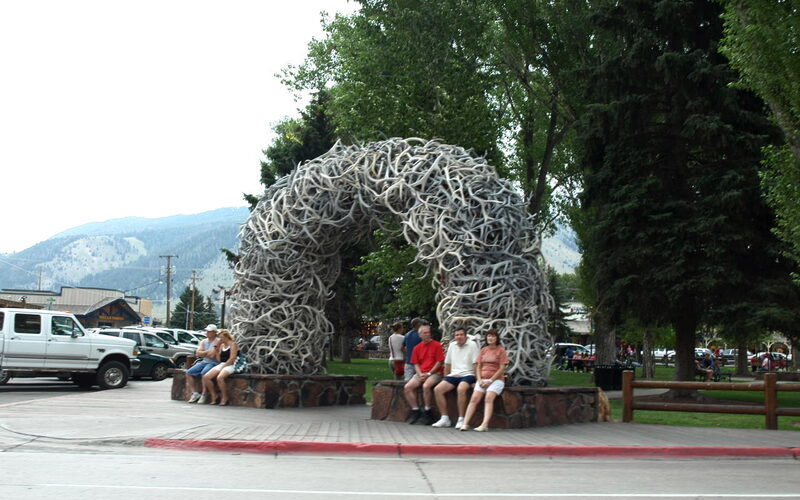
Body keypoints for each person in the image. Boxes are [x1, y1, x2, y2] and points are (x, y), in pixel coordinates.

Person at [461, 329, 509, 432]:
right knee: (474, 399)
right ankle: (465, 423)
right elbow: (478, 366)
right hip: (482, 379)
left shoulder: (501, 350)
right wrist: (479, 379)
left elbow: (501, 368)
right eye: (489, 336)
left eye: (493, 336)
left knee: (488, 398)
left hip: (496, 380)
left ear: (497, 338)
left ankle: (484, 424)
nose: (490, 338)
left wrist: (490, 380)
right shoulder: (484, 350)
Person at [431, 327, 479, 429]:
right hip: (454, 374)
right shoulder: (452, 345)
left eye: (461, 335)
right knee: (438, 389)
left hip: (468, 374)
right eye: (457, 335)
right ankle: (445, 418)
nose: (459, 337)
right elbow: (447, 363)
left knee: (461, 389)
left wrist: (477, 379)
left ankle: (461, 419)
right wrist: (445, 377)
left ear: (465, 336)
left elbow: (476, 364)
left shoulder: (472, 345)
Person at [403, 324, 444, 425]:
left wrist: (429, 373)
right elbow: (415, 363)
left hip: (435, 372)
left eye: (428, 333)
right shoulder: (417, 348)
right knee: (408, 387)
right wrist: (420, 374)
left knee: (426, 386)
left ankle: (427, 411)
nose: (427, 335)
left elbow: (439, 362)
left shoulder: (437, 345)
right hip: (421, 372)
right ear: (420, 335)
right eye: (425, 333)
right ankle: (415, 410)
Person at [202, 329, 239, 406]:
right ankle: (214, 395)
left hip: (231, 364)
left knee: (220, 377)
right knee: (206, 377)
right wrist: (217, 349)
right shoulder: (222, 346)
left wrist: (223, 367)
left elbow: (232, 358)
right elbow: (219, 360)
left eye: (221, 338)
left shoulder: (233, 345)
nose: (220, 339)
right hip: (222, 363)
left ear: (226, 337)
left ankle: (224, 397)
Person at [186, 324, 219, 403]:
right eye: (207, 331)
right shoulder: (204, 341)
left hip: (214, 362)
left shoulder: (218, 341)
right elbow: (197, 353)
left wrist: (203, 353)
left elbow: (213, 355)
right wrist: (207, 352)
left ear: (214, 332)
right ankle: (195, 393)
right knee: (189, 372)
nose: (207, 333)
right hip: (204, 361)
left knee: (204, 373)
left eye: (209, 332)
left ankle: (204, 394)